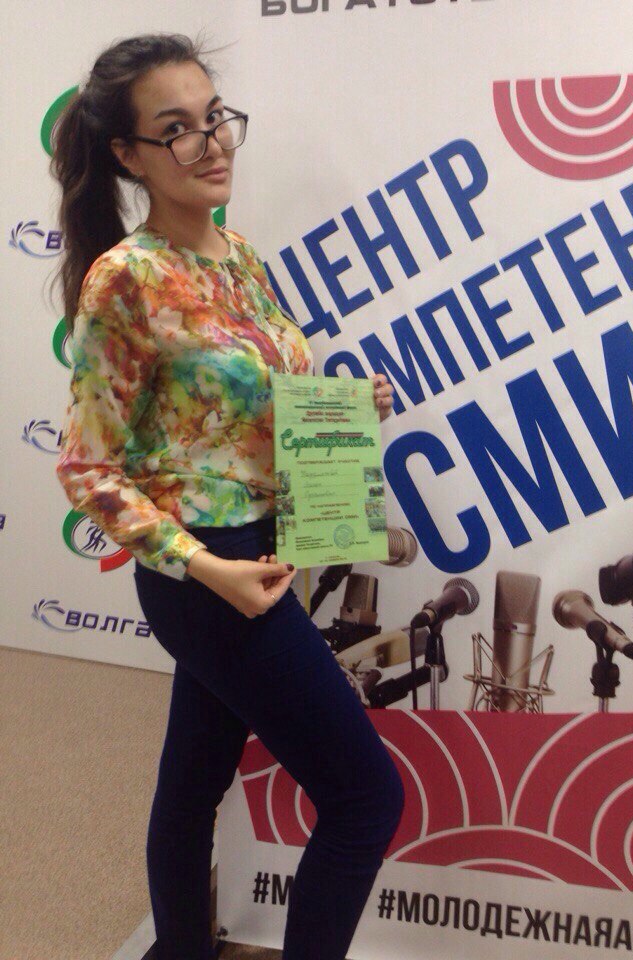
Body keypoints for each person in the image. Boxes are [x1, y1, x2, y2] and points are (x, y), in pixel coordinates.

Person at [51, 32, 404, 960]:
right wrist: (208, 569)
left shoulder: (237, 253)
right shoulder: (126, 280)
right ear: (128, 155)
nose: (210, 144)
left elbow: (238, 407)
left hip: (262, 551)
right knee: (368, 798)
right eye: (177, 128)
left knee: (192, 786)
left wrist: (343, 407)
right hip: (208, 576)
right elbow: (88, 469)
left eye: (215, 118)